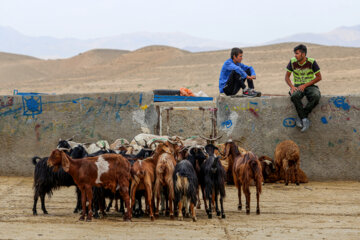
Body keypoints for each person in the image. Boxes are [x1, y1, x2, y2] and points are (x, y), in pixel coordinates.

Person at [285, 44, 322, 132]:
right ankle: (305, 119)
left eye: (297, 53)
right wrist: (292, 86)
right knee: (294, 96)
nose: (295, 55)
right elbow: (287, 77)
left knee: (316, 96)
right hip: (297, 85)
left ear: (303, 54)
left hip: (310, 85)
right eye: (295, 53)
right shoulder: (292, 61)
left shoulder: (312, 62)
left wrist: (305, 85)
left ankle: (301, 116)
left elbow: (319, 77)